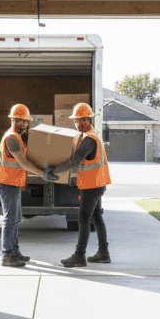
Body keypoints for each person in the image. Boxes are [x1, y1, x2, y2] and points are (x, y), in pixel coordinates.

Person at [45, 102, 112, 267]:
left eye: (80, 120)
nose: (77, 124)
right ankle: (103, 253)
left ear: (87, 120)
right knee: (96, 217)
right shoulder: (92, 134)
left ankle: (79, 255)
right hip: (97, 182)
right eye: (76, 121)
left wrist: (54, 170)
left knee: (83, 218)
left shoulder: (89, 139)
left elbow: (74, 162)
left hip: (92, 185)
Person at [0, 103, 45, 267]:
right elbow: (23, 163)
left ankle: (14, 251)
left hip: (12, 182)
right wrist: (43, 174)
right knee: (10, 219)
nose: (23, 124)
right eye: (19, 121)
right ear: (12, 120)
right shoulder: (11, 138)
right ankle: (7, 255)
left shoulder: (17, 137)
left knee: (15, 218)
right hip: (6, 183)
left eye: (25, 121)